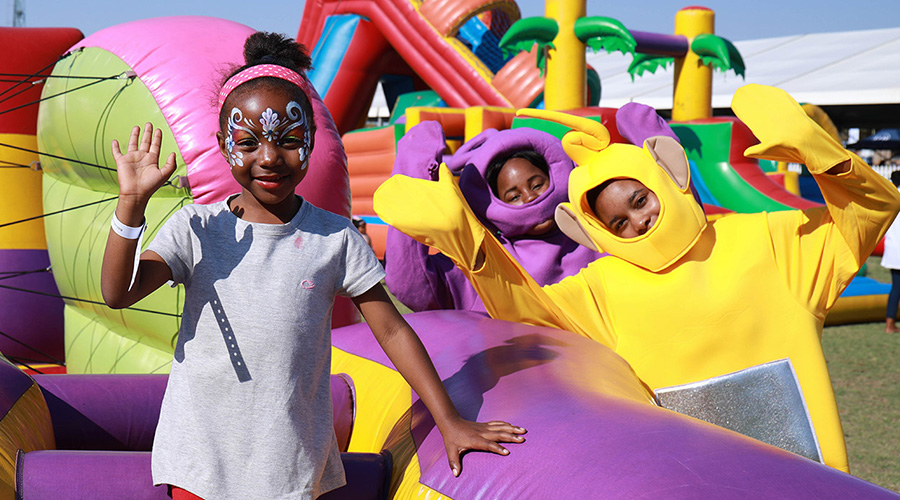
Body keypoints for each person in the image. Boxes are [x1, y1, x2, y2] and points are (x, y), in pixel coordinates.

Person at [373, 84, 900, 473]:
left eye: (640, 200)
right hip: (688, 479)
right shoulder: (605, 285)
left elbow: (866, 217)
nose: (638, 223)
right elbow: (525, 313)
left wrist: (822, 155)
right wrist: (472, 246)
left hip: (810, 479)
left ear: (665, 177)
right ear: (596, 233)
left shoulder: (768, 240)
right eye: (617, 223)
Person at [100, 32, 525, 500]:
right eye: (248, 142)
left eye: (288, 140)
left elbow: (392, 331)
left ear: (311, 140)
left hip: (291, 464)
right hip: (201, 462)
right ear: (223, 144)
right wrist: (131, 205)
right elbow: (118, 293)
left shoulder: (334, 237)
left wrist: (450, 421)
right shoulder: (197, 228)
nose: (268, 157)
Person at [384, 123, 600, 312]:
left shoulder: (595, 233)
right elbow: (409, 284)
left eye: (537, 185)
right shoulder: (487, 260)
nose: (530, 198)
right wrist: (415, 169)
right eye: (514, 196)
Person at [881, 170, 900, 333]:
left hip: (893, 247)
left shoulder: (889, 197)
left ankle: (890, 323)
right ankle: (890, 324)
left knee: (896, 287)